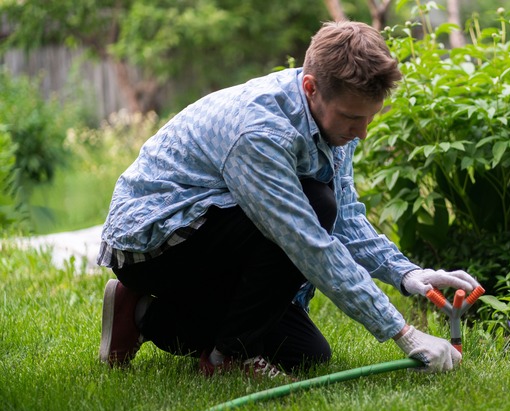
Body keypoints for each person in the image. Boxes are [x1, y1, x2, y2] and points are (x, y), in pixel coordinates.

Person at [97, 20, 481, 378]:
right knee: (317, 205)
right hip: (154, 243)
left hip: (215, 232)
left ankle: (141, 313)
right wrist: (404, 333)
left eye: (369, 118)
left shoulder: (332, 120)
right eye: (352, 119)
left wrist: (406, 274)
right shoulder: (261, 132)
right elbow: (307, 243)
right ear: (311, 87)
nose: (362, 133)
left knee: (306, 353)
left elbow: (345, 218)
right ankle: (230, 356)